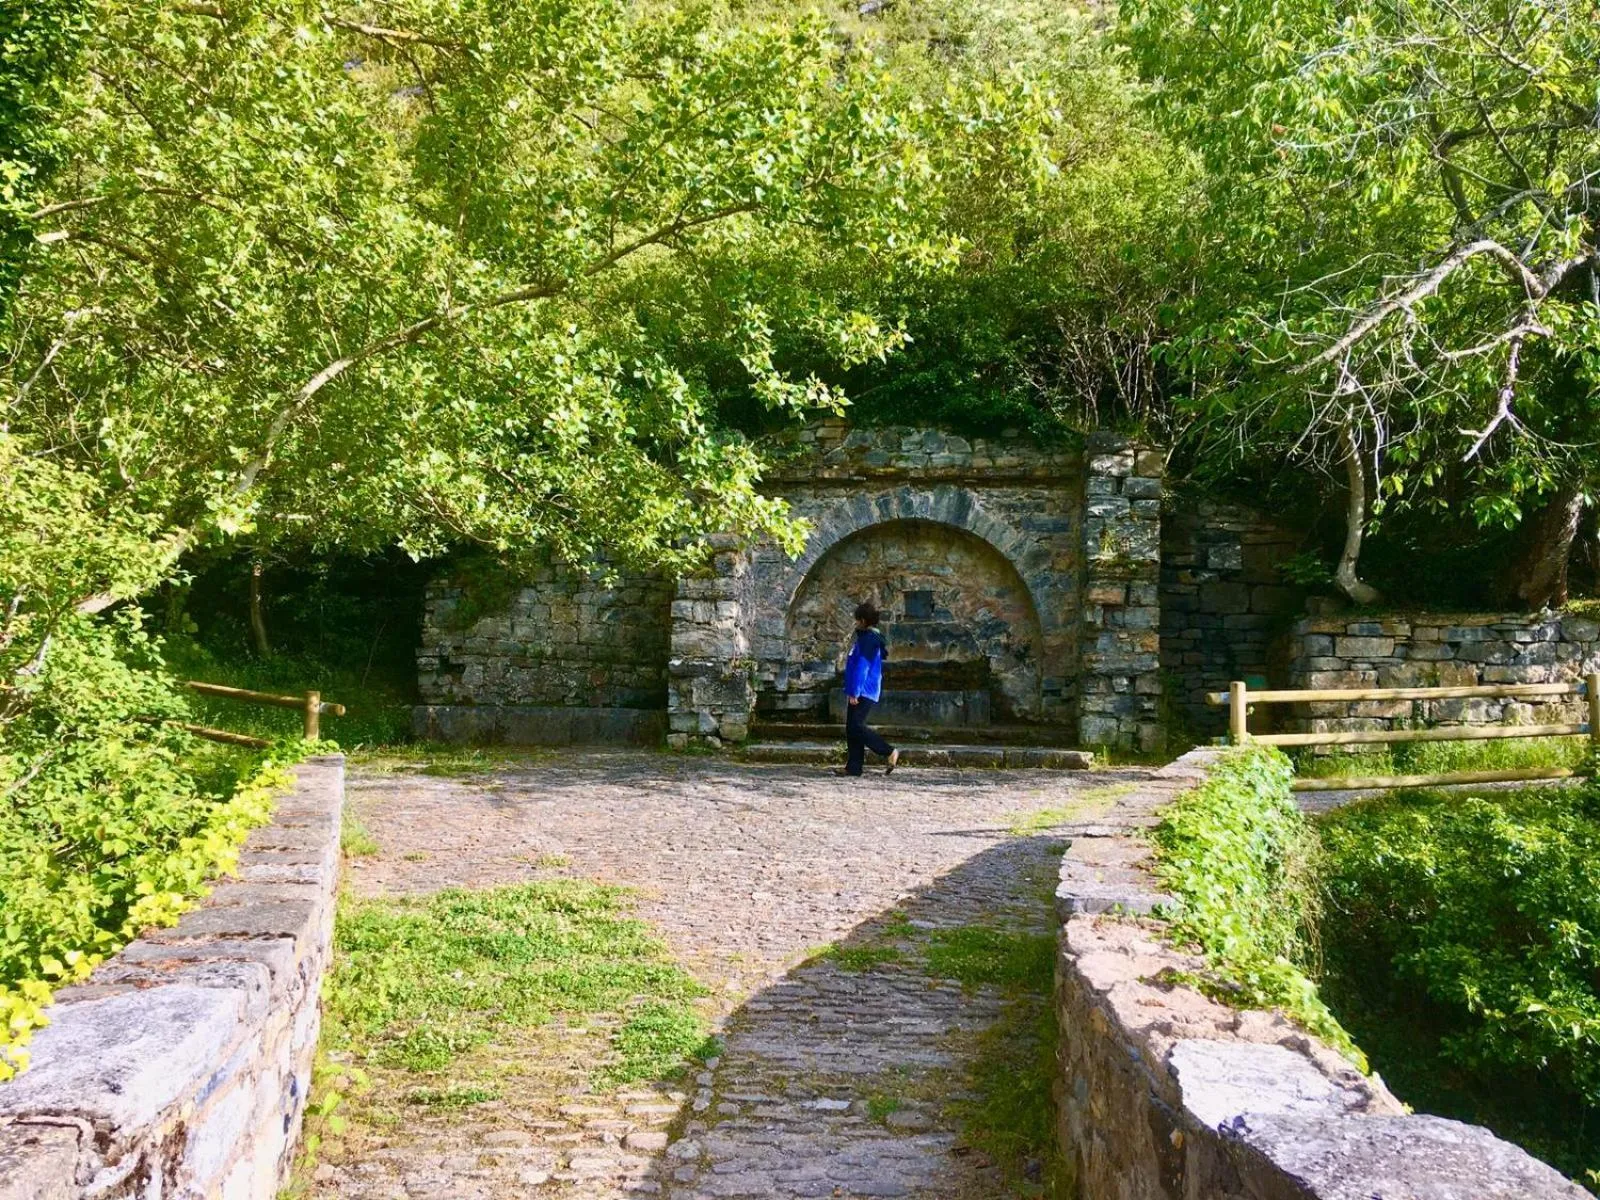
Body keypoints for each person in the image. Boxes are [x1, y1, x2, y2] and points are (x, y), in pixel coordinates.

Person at [841, 600, 899, 776]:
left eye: (858, 620)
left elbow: (862, 667)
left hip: (864, 689)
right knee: (852, 727)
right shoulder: (868, 638)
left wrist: (855, 691)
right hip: (861, 688)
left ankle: (888, 751)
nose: (856, 623)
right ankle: (854, 767)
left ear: (864, 621)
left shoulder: (869, 640)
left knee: (856, 726)